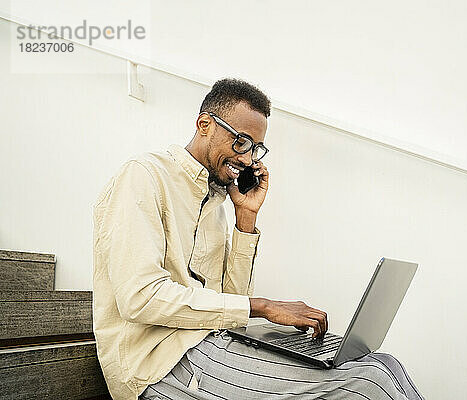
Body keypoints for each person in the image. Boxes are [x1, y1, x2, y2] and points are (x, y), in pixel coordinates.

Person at [93, 78, 424, 400]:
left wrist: (245, 220)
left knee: (382, 364)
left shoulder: (215, 201)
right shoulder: (143, 176)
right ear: (204, 124)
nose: (248, 159)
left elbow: (228, 302)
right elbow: (139, 297)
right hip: (156, 366)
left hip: (207, 342)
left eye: (255, 148)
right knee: (369, 382)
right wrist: (263, 307)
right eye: (241, 142)